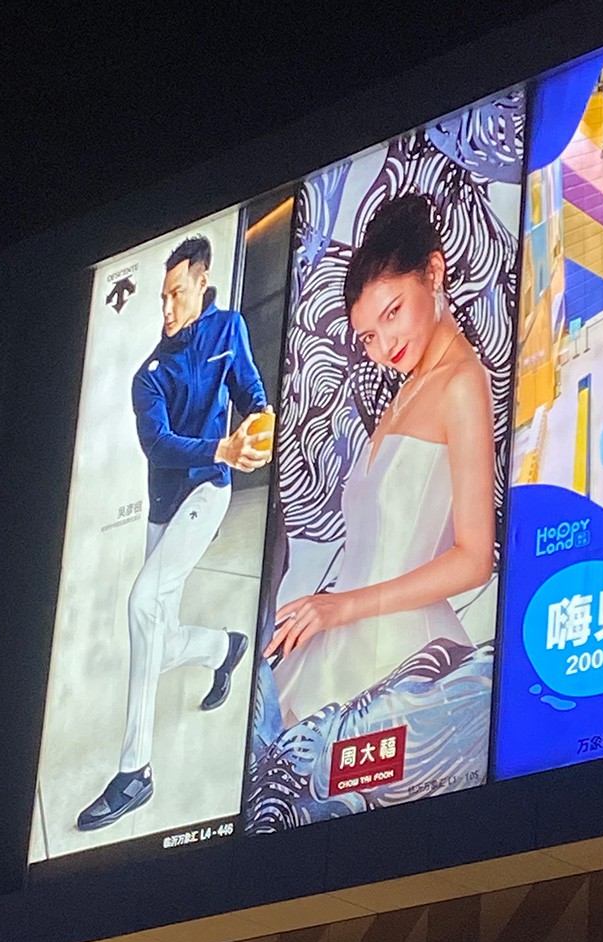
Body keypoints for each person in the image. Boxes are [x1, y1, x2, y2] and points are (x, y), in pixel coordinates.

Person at [263, 193, 496, 725]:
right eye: (369, 336)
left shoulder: (462, 383)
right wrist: (333, 607)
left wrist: (343, 606)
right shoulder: (408, 389)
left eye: (394, 313)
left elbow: (474, 558)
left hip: (402, 657)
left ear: (434, 273)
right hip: (342, 642)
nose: (386, 344)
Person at [78, 235, 273, 832]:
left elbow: (251, 392)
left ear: (202, 282)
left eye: (176, 293)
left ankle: (134, 771)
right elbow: (157, 444)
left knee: (141, 603)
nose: (166, 308)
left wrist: (259, 425)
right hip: (165, 505)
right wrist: (220, 445)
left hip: (208, 490)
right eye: (161, 297)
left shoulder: (229, 329)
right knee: (155, 641)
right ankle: (225, 649)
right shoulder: (148, 376)